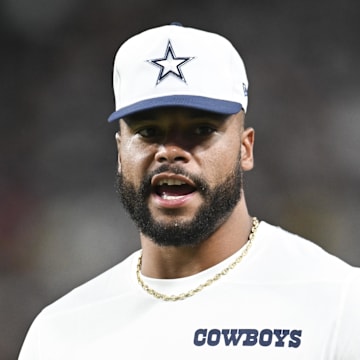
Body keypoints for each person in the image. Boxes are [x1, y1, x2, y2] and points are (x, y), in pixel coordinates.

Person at [19, 23, 360, 359]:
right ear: (120, 153)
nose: (170, 151)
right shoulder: (60, 332)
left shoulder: (339, 301)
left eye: (200, 130)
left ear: (245, 149)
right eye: (149, 131)